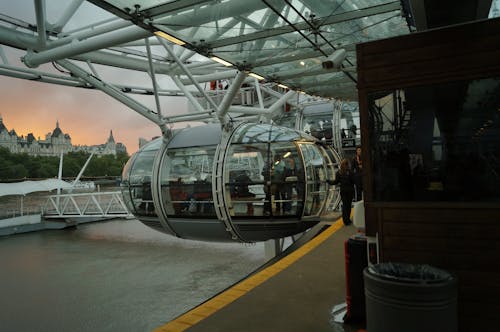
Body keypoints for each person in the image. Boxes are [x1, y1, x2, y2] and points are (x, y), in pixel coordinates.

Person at [329, 159, 354, 225]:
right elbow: (354, 181)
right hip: (350, 190)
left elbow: (335, 182)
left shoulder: (339, 172)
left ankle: (345, 220)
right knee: (348, 205)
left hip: (343, 191)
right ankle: (348, 220)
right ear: (347, 165)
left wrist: (328, 181)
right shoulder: (350, 172)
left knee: (345, 205)